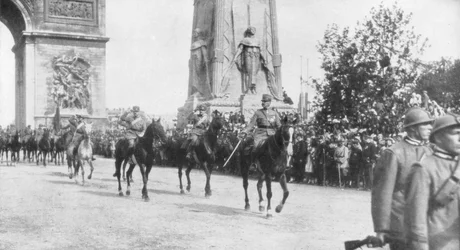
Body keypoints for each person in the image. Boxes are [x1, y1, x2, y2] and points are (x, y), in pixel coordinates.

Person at [371, 107, 434, 249]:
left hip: (425, 225)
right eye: (425, 124)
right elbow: (382, 193)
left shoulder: (430, 151)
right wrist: (381, 229)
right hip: (400, 226)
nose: (430, 128)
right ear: (412, 129)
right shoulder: (393, 153)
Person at [404, 113, 460, 250]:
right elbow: (416, 218)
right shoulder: (423, 168)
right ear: (439, 137)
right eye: (456, 133)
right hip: (438, 245)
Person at [240, 94, 281, 166]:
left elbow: (279, 125)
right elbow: (251, 124)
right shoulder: (258, 112)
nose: (263, 103)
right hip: (260, 133)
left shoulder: (274, 113)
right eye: (263, 101)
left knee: (279, 147)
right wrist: (245, 131)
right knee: (255, 146)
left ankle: (280, 164)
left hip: (272, 134)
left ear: (269, 102)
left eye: (265, 101)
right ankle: (254, 162)